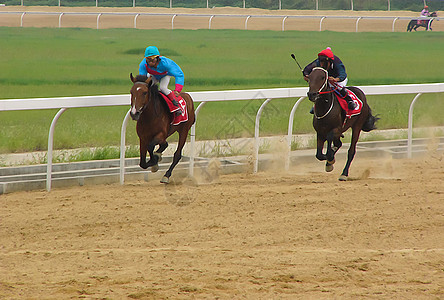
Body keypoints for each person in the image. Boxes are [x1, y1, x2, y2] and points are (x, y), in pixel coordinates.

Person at [303, 47, 356, 111]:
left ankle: (349, 101)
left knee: (340, 87)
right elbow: (307, 69)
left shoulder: (337, 62)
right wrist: (306, 75)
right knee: (321, 89)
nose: (321, 65)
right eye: (320, 62)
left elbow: (343, 74)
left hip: (338, 79)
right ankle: (316, 105)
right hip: (326, 78)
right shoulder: (318, 61)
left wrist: (336, 79)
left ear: (330, 61)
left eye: (324, 62)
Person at [139, 45, 184, 115]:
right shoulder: (143, 64)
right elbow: (142, 79)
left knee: (163, 88)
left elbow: (179, 74)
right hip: (153, 75)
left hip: (165, 75)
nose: (150, 63)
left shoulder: (166, 63)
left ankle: (176, 106)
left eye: (152, 60)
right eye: (148, 60)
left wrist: (177, 90)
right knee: (147, 88)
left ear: (157, 58)